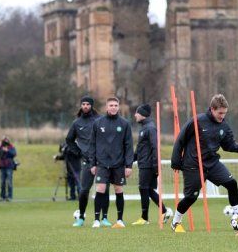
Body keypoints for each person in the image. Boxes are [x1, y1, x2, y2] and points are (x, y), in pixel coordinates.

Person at [170, 94, 238, 233]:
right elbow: (180, 140)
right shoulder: (198, 121)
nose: (222, 116)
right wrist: (176, 161)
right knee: (191, 197)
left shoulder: (224, 126)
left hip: (212, 163)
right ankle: (176, 222)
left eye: (225, 113)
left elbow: (229, 146)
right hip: (193, 164)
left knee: (232, 184)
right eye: (220, 113)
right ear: (212, 109)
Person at [66, 96, 111, 227]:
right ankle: (81, 217)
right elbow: (69, 140)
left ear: (92, 106)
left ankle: (105, 218)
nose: (85, 106)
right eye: (83, 104)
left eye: (88, 104)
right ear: (81, 106)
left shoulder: (100, 120)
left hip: (102, 161)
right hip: (87, 161)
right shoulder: (76, 123)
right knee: (84, 190)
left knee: (104, 189)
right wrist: (79, 152)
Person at [89, 97, 134, 229]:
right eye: (111, 105)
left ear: (118, 107)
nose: (113, 107)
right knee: (100, 189)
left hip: (118, 164)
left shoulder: (125, 123)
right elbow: (92, 145)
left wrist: (129, 166)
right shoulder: (98, 123)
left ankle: (120, 220)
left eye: (115, 105)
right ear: (106, 107)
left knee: (118, 190)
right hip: (102, 163)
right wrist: (93, 163)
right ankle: (96, 220)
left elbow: (129, 146)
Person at [131, 103, 173, 225]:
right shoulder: (144, 128)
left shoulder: (150, 128)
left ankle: (145, 218)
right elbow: (140, 149)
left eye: (137, 113)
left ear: (142, 114)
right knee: (148, 189)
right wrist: (130, 160)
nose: (135, 115)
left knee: (143, 188)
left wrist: (155, 165)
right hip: (144, 163)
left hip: (149, 164)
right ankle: (165, 211)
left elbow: (155, 147)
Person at [0, 136, 17, 202]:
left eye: (7, 140)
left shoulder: (11, 147)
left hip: (9, 166)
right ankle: (2, 196)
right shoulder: (0, 147)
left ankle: (9, 197)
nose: (5, 142)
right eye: (4, 141)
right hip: (2, 166)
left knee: (9, 182)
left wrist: (7, 150)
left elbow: (14, 154)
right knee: (2, 182)